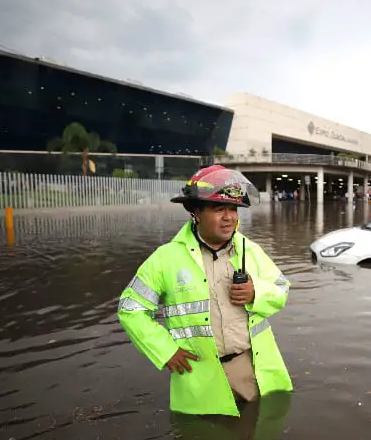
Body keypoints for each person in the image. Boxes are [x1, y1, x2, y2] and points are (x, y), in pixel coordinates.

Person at [117, 165, 293, 417]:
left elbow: (281, 288)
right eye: (219, 209)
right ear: (196, 212)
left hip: (251, 367)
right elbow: (130, 309)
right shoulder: (166, 258)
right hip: (198, 375)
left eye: (232, 209)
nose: (229, 217)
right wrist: (166, 351)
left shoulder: (250, 250)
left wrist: (257, 293)